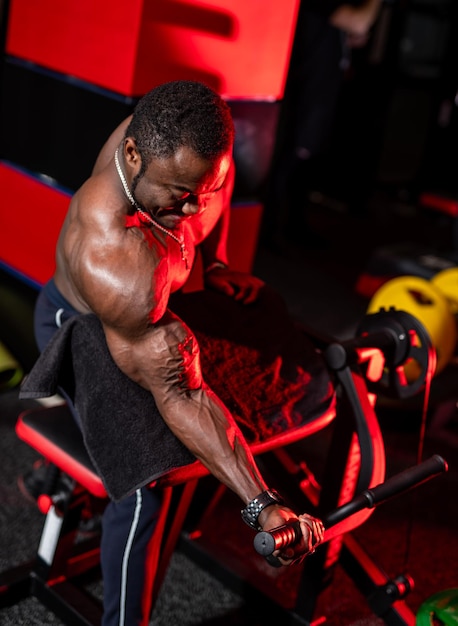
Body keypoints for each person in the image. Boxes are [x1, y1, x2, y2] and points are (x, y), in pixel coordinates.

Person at [28, 80, 324, 626]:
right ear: (133, 155)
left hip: (151, 310)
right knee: (151, 482)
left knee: (275, 327)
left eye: (203, 190)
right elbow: (181, 393)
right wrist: (262, 506)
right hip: (85, 323)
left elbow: (212, 185)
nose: (193, 207)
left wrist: (214, 259)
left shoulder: (188, 153)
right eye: (178, 194)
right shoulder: (115, 255)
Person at [261, 0, 383, 251]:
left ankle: (292, 225)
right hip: (303, 87)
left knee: (307, 157)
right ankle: (268, 231)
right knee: (290, 156)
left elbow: (355, 31)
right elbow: (359, 21)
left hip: (320, 85)